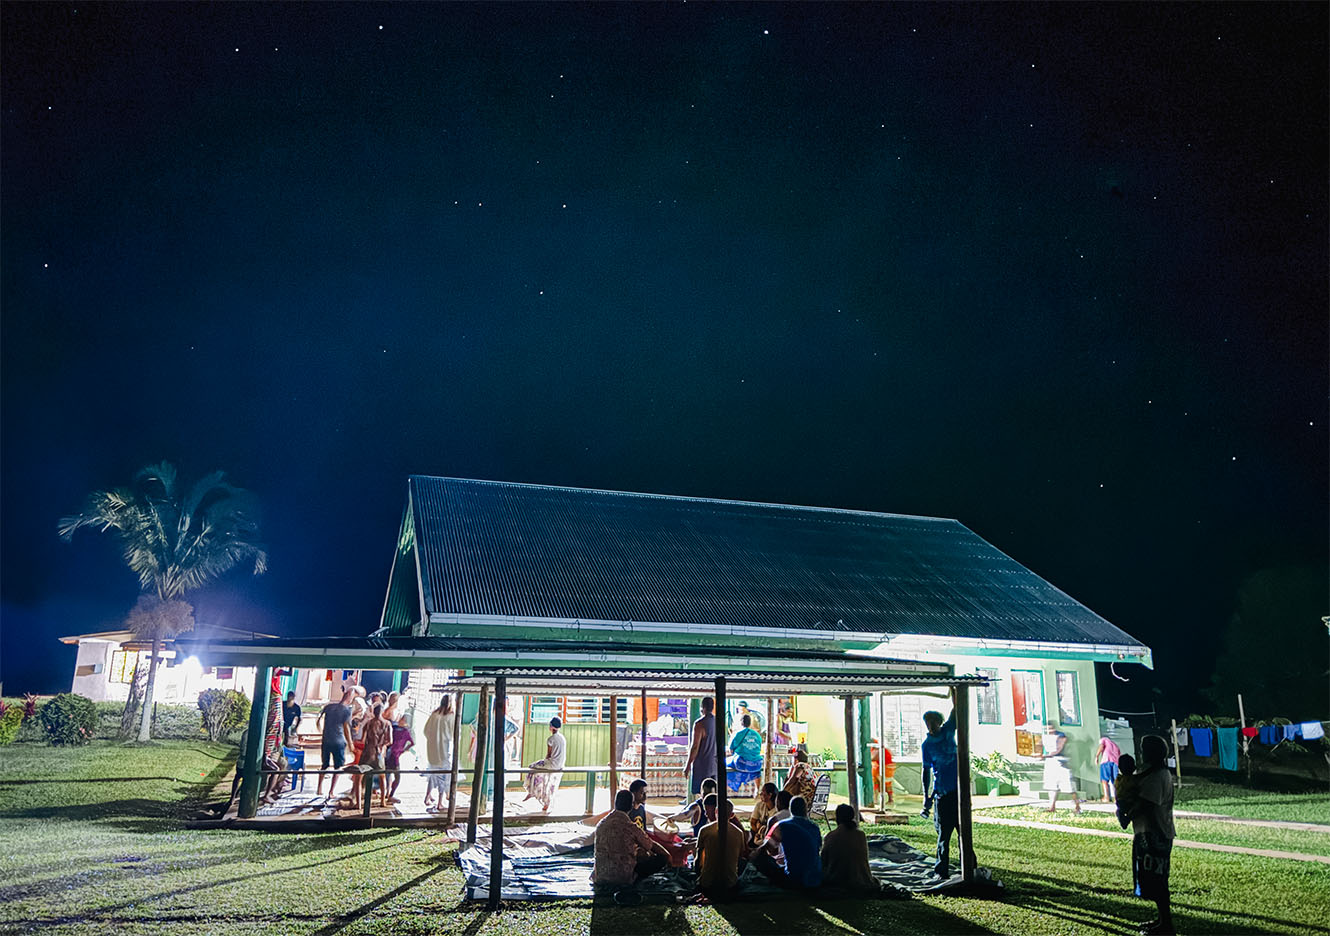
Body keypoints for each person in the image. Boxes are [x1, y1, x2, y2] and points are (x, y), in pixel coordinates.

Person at [1120, 736, 1176, 935]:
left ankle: (1166, 924)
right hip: (1147, 832)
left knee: (1158, 880)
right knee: (1151, 879)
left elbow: (1147, 804)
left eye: (1145, 749)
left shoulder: (1158, 776)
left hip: (1156, 833)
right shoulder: (1152, 773)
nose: (1142, 752)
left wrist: (1127, 816)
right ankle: (1161, 919)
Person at [921, 707, 974, 879]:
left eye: (933, 722)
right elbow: (926, 771)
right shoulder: (927, 745)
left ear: (939, 722)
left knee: (963, 831)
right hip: (942, 792)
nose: (931, 726)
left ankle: (970, 866)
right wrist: (926, 797)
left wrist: (954, 689)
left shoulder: (948, 731)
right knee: (944, 834)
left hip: (958, 791)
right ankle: (941, 871)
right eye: (928, 723)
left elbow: (955, 711)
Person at [593, 789, 672, 890]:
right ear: (631, 806)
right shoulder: (630, 827)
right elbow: (650, 845)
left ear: (615, 803)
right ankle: (635, 881)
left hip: (600, 877)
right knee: (661, 859)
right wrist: (667, 855)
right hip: (624, 878)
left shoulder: (601, 824)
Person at [751, 795, 822, 890]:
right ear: (805, 810)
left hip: (794, 879)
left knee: (757, 857)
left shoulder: (782, 826)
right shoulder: (815, 827)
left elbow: (768, 849)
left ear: (790, 809)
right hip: (816, 879)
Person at [694, 794, 747, 900]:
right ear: (732, 815)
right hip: (730, 885)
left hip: (707, 885)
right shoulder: (738, 832)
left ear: (716, 812)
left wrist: (698, 875)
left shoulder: (705, 830)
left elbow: (698, 859)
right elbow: (741, 858)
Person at [821, 804, 880, 892]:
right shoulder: (861, 835)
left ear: (837, 818)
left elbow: (823, 861)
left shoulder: (831, 836)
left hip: (836, 881)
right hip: (861, 881)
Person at [521, 716, 567, 812]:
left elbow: (548, 755)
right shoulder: (562, 738)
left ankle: (531, 790)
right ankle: (546, 802)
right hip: (560, 764)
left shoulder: (551, 739)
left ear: (551, 726)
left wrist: (543, 763)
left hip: (552, 764)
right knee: (549, 782)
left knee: (532, 767)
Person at [353, 702, 391, 810]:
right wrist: (382, 745)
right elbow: (390, 740)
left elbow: (363, 739)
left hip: (367, 752)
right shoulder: (387, 724)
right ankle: (383, 801)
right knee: (382, 776)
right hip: (379, 753)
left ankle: (358, 803)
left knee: (359, 777)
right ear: (382, 712)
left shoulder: (369, 723)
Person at [315, 689, 353, 798]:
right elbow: (346, 728)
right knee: (338, 767)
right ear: (349, 699)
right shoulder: (346, 711)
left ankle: (319, 788)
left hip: (326, 739)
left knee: (324, 765)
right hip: (339, 741)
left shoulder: (329, 707)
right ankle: (331, 792)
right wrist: (350, 743)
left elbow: (319, 719)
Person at [422, 696, 456, 811]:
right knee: (443, 775)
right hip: (444, 749)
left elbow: (426, 730)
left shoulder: (434, 715)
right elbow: (454, 734)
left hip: (432, 749)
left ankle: (427, 796)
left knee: (432, 772)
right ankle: (440, 802)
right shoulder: (450, 716)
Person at [1043, 723, 1082, 814]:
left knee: (1069, 787)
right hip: (1051, 763)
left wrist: (1047, 755)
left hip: (1062, 763)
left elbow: (1059, 748)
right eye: (1047, 729)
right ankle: (1052, 806)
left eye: (1051, 728)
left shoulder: (1061, 736)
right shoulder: (1045, 736)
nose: (1049, 730)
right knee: (1051, 786)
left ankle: (1077, 806)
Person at [683, 697, 717, 798]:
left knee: (702, 794)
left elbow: (695, 746)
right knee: (713, 794)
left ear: (702, 708)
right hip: (714, 764)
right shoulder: (718, 722)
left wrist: (688, 765)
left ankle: (702, 812)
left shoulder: (700, 724)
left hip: (702, 765)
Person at [726, 714, 764, 792]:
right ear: (750, 723)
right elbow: (758, 749)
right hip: (757, 764)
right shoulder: (757, 735)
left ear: (740, 722)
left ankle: (730, 789)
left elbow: (731, 749)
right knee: (756, 770)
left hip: (741, 763)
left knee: (723, 762)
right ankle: (758, 790)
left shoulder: (738, 734)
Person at [386, 715, 414, 802]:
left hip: (388, 753)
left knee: (387, 774)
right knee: (397, 777)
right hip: (395, 756)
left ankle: (386, 794)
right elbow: (412, 743)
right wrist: (404, 750)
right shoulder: (406, 732)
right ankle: (390, 795)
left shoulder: (393, 728)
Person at [1114, 752, 1139, 828]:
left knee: (1119, 812)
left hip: (1120, 802)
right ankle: (1127, 819)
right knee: (1134, 810)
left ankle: (1123, 821)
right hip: (1130, 801)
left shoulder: (1118, 779)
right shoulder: (1134, 779)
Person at [1097, 735, 1123, 803]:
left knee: (1104, 780)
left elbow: (1101, 746)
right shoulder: (1115, 745)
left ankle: (1106, 797)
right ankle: (1116, 798)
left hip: (1106, 761)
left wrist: (1097, 756)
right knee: (1115, 781)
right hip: (1115, 763)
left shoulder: (1104, 739)